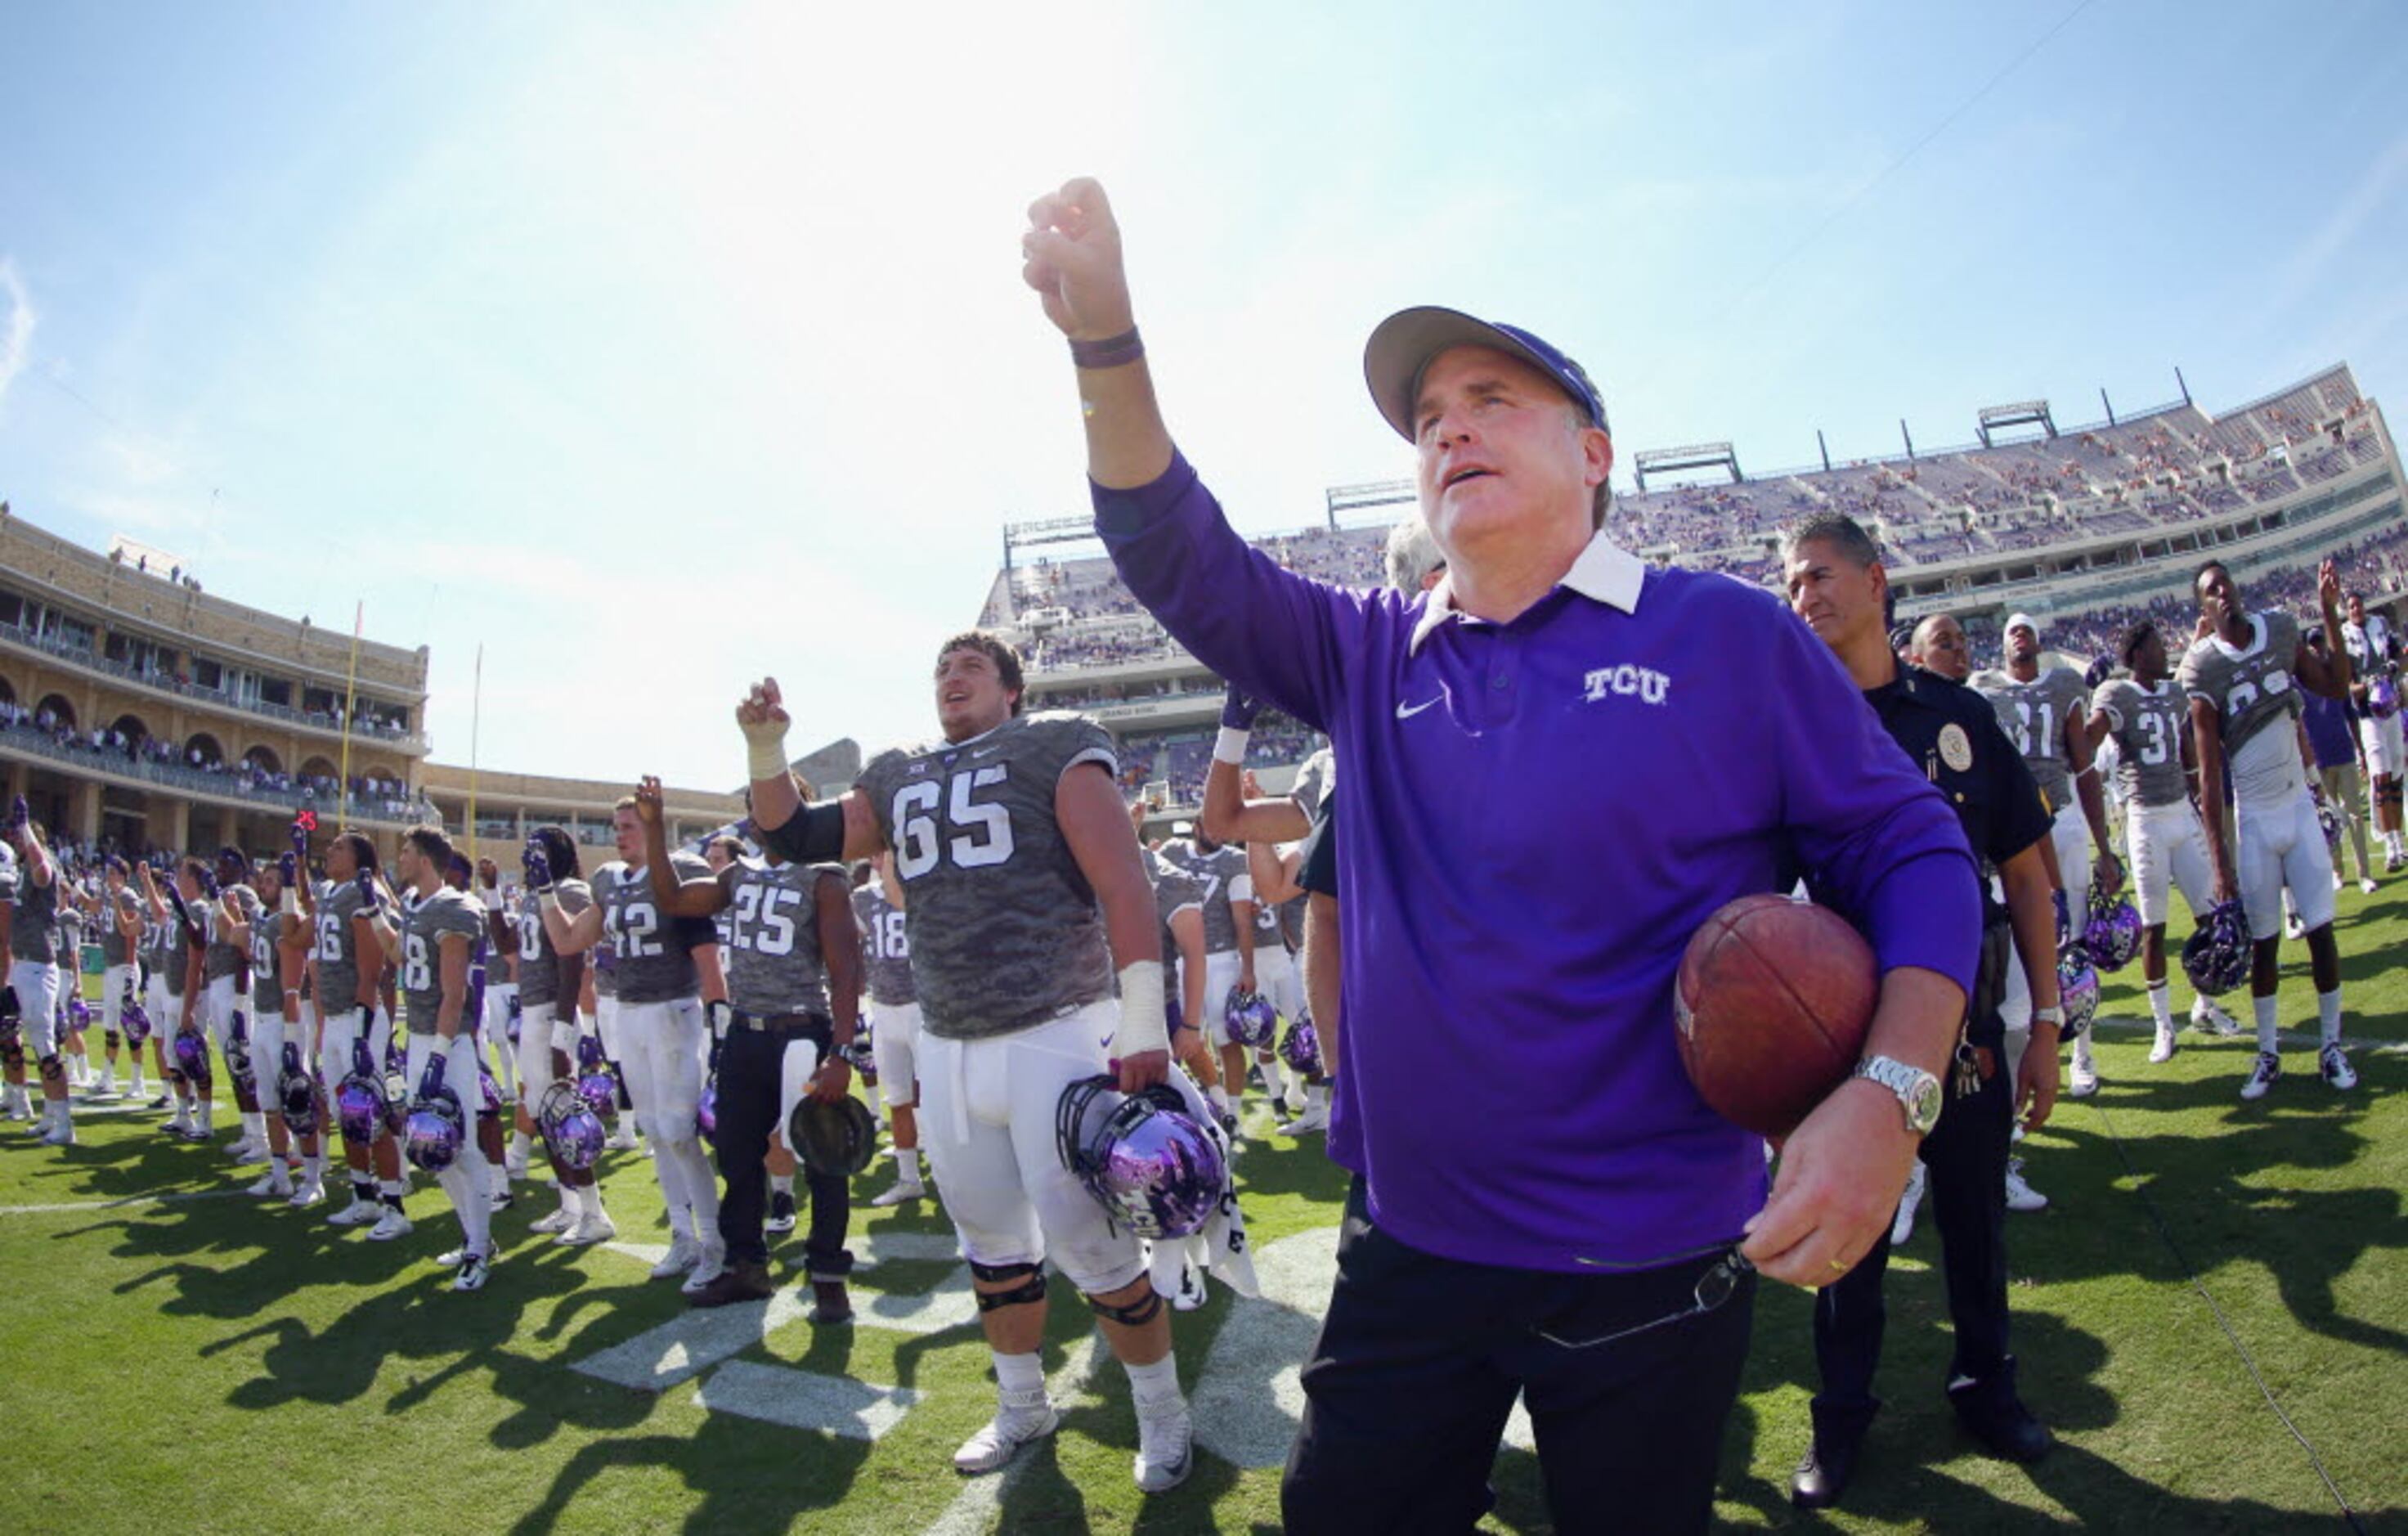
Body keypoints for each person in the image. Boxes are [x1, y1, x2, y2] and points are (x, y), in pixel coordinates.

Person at [1020, 177, 1977, 1533]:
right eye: (1428, 419)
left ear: (1594, 451)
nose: (1449, 426)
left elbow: (1915, 847)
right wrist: (1103, 340)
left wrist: (1893, 1091)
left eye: (1492, 399)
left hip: (1654, 1256)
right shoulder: (1365, 649)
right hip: (1413, 1244)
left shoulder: (1728, 638)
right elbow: (1174, 551)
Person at [735, 629, 1197, 1496]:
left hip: (1054, 1030)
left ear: (1011, 689)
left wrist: (1142, 1016)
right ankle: (1022, 1404)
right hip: (948, 1039)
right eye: (941, 667)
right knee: (990, 1244)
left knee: (1092, 1247)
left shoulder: (1053, 741)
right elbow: (797, 834)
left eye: (972, 666)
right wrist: (767, 746)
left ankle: (1160, 1409)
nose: (952, 676)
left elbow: (1121, 879)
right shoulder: (898, 769)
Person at [1782, 517, 2063, 1509]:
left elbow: (2028, 879)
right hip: (1841, 1039)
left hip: (1974, 1029)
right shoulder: (1787, 731)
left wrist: (2046, 1028)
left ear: (1874, 580)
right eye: (1789, 583)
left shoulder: (1957, 715)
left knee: (1976, 1224)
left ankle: (1986, 1390)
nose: (1802, 595)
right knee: (1844, 1246)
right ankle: (1840, 1423)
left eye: (1817, 575)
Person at [635, 777, 860, 1313]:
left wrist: (842, 1051)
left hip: (801, 1031)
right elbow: (672, 898)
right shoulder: (739, 874)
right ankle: (747, 1265)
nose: (764, 817)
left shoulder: (825, 877)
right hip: (745, 1030)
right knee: (736, 1154)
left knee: (822, 1155)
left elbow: (847, 970)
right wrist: (652, 827)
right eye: (757, 808)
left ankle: (828, 1274)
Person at [2178, 559, 2357, 1099]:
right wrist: (2219, 861)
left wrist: (2327, 613)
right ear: (2202, 608)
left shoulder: (2277, 629)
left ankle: (2329, 1047)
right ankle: (2267, 1054)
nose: (2222, 593)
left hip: (2297, 810)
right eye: (2210, 590)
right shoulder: (2201, 666)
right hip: (2255, 819)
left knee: (2321, 931)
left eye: (2225, 582)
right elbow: (2209, 775)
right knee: (2263, 945)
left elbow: (2335, 681)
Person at [544, 799, 725, 1293]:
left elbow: (707, 946)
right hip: (630, 1010)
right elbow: (567, 941)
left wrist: (720, 1015)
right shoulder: (608, 880)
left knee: (680, 1130)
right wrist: (543, 892)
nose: (619, 835)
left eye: (629, 827)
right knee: (654, 1131)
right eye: (616, 827)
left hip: (676, 1009)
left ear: (651, 829)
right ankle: (683, 1236)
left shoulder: (681, 869)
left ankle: (713, 1243)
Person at [1971, 614, 2123, 1098]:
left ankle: (2082, 1055)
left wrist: (2104, 846)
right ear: (2001, 644)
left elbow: (2083, 768)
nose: (2020, 634)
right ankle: (2018, 1066)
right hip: (2012, 835)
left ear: (2038, 640)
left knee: (2070, 949)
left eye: (2027, 628)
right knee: (2015, 950)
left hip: (2061, 820)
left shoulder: (2063, 685)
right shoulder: (1982, 690)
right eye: (2012, 629)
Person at [2086, 621, 2241, 1063]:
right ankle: (2163, 1025)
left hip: (2180, 812)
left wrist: (2197, 794)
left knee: (2211, 920)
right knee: (2154, 928)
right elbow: (2094, 735)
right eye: (2154, 645)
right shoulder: (2116, 694)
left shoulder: (2173, 694)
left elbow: (2188, 751)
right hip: (2145, 820)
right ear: (2136, 654)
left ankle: (2205, 1008)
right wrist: (2079, 733)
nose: (2162, 651)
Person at [368, 826, 498, 1287]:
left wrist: (439, 1056)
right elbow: (400, 956)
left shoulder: (454, 907)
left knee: (461, 1146)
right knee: (430, 1147)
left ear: (423, 859)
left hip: (450, 1042)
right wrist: (375, 912)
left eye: (405, 851)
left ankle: (480, 1250)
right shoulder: (417, 905)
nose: (399, 857)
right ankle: (473, 1237)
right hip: (421, 1038)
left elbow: (455, 990)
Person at [513, 827, 615, 1245]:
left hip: (552, 1012)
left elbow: (572, 962)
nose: (526, 857)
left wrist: (561, 1031)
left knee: (564, 1114)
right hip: (533, 1009)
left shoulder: (570, 891)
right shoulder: (537, 892)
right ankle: (571, 1204)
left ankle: (594, 1212)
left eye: (536, 849)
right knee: (543, 1114)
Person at [851, 856, 929, 1209]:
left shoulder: (923, 885)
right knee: (897, 1097)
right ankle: (909, 1178)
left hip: (925, 1007)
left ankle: (949, 1174)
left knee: (937, 1098)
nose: (883, 858)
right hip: (883, 1007)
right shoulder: (863, 897)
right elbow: (851, 945)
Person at [1, 800, 76, 1144]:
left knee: (46, 1046)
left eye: (21, 836)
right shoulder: (20, 871)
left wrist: (27, 827)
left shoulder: (44, 867)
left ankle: (64, 1124)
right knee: (36, 1042)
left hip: (38, 965)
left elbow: (43, 872)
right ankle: (49, 1115)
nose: (16, 841)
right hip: (25, 962)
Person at [2300, 627, 2379, 894]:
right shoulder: (2299, 683)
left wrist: (2362, 753)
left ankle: (2364, 874)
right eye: (2313, 645)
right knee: (2328, 820)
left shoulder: (2336, 680)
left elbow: (2352, 719)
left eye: (2320, 643)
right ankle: (2337, 872)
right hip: (2319, 761)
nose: (2317, 648)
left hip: (2344, 754)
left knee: (2356, 816)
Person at [2338, 593, 2402, 869]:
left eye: (2359, 604)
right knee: (2380, 776)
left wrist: (2394, 667)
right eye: (2351, 606)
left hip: (2392, 709)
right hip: (2368, 715)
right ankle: (2390, 844)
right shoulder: (2344, 637)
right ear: (2346, 610)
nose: (2356, 610)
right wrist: (2364, 686)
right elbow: (2344, 684)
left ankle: (2399, 838)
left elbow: (2400, 657)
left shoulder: (2381, 625)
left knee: (2397, 773)